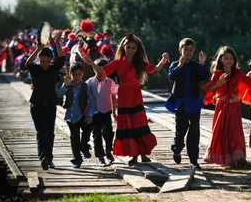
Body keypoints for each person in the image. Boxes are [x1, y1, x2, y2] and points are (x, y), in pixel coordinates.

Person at [83, 33, 169, 166]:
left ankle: (143, 154)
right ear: (123, 47)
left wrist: (163, 61)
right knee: (128, 123)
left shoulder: (139, 63)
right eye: (128, 47)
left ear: (137, 49)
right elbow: (101, 71)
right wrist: (90, 62)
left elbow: (155, 69)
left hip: (135, 94)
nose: (130, 50)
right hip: (123, 94)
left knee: (139, 122)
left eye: (133, 48)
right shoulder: (118, 62)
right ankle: (134, 155)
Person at [202, 46, 251, 167]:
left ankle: (238, 158)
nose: (229, 60)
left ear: (234, 60)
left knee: (235, 132)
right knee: (222, 131)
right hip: (222, 108)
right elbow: (208, 88)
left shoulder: (238, 73)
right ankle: (225, 158)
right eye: (226, 58)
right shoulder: (217, 73)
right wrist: (219, 83)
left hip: (234, 108)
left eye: (231, 58)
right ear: (220, 59)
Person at [165, 38, 209, 170]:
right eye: (185, 50)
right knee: (181, 130)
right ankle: (176, 149)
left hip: (194, 103)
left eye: (191, 50)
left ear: (194, 52)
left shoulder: (196, 66)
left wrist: (202, 63)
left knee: (194, 131)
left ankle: (193, 160)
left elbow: (204, 76)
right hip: (181, 103)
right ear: (180, 51)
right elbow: (171, 77)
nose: (188, 53)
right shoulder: (175, 64)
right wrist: (180, 65)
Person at [26, 30, 65, 170]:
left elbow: (61, 58)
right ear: (39, 60)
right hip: (36, 106)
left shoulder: (53, 69)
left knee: (50, 133)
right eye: (42, 61)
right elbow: (28, 62)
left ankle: (49, 158)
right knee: (41, 132)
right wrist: (38, 49)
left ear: (51, 61)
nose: (45, 64)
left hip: (50, 105)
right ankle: (43, 157)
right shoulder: (35, 69)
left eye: (47, 61)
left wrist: (57, 43)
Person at [57, 62, 92, 168]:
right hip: (70, 116)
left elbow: (91, 100)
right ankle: (77, 159)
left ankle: (84, 147)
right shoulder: (67, 85)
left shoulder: (85, 86)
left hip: (82, 114)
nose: (77, 77)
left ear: (82, 74)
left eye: (79, 74)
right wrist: (65, 85)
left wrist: (90, 114)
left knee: (87, 130)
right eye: (75, 74)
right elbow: (59, 94)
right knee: (74, 137)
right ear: (70, 74)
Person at [86, 58, 118, 166]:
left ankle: (108, 151)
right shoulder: (89, 82)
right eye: (97, 70)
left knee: (108, 132)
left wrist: (114, 112)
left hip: (106, 111)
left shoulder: (110, 82)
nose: (99, 72)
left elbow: (113, 95)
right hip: (95, 112)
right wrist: (87, 114)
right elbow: (86, 98)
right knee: (96, 134)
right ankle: (100, 156)